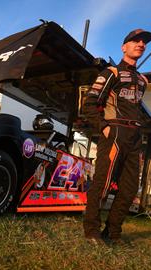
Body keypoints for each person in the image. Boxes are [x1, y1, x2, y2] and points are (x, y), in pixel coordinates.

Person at [82, 29, 151, 244]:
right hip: (115, 133)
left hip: (135, 136)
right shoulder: (110, 72)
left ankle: (112, 233)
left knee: (130, 189)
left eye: (144, 42)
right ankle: (92, 230)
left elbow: (135, 108)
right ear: (124, 47)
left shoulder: (141, 80)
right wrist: (103, 126)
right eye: (135, 41)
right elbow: (90, 103)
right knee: (102, 183)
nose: (140, 44)